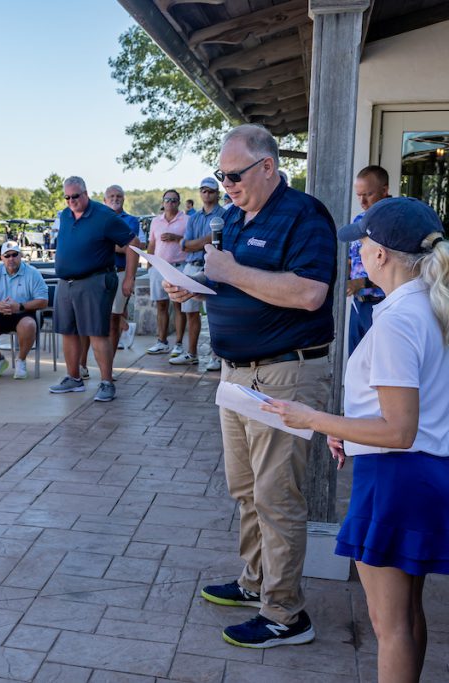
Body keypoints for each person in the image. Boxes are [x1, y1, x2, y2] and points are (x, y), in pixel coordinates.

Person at [263, 198, 449, 680]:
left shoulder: (398, 319)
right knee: (407, 616)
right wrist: (351, 430)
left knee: (391, 627)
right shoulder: (428, 306)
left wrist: (315, 419)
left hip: (395, 478)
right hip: (423, 473)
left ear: (382, 255)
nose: (358, 251)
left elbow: (399, 430)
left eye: (362, 243)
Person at [165, 124, 336, 648]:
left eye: (234, 175)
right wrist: (191, 286)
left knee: (276, 494)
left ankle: (286, 614)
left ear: (267, 166)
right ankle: (255, 582)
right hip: (236, 372)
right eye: (221, 175)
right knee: (245, 489)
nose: (227, 184)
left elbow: (309, 293)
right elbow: (226, 279)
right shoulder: (234, 220)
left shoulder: (304, 215)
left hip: (283, 373)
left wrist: (231, 272)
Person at [49, 177, 137, 402]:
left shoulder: (104, 215)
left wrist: (129, 278)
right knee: (68, 331)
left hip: (95, 280)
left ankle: (106, 382)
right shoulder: (65, 215)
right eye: (67, 197)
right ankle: (73, 378)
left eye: (75, 196)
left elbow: (134, 243)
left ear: (86, 193)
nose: (71, 201)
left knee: (97, 332)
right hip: (66, 282)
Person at [171, 177, 226, 369]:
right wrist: (207, 239)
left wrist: (196, 243)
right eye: (203, 190)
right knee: (190, 312)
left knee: (214, 314)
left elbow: (193, 244)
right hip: (192, 265)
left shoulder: (224, 215)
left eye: (210, 190)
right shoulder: (194, 218)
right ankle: (191, 353)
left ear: (217, 193)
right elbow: (185, 245)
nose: (206, 194)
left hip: (214, 268)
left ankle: (217, 355)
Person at [0, 241, 48, 379]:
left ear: (20, 256)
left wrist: (19, 306)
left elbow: (43, 301)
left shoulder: (33, 273)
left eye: (14, 254)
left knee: (29, 325)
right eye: (7, 255)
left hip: (24, 313)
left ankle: (21, 360)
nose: (11, 258)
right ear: (2, 258)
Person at [347, 165, 391, 355]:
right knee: (355, 366)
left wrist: (362, 282)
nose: (362, 201)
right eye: (359, 195)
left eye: (368, 194)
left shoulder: (396, 220)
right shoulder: (359, 219)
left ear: (385, 190)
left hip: (384, 304)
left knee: (379, 368)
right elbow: (351, 259)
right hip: (358, 303)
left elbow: (396, 268)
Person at [146, 190, 189, 358]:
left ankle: (178, 344)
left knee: (179, 306)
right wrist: (150, 267)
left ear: (178, 203)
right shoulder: (155, 222)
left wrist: (175, 237)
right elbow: (151, 244)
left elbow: (190, 242)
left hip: (179, 267)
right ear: (162, 202)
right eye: (167, 200)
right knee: (161, 306)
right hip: (158, 268)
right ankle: (161, 342)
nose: (170, 203)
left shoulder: (187, 220)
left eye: (173, 200)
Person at [104, 185, 142, 357]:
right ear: (105, 200)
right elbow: (122, 245)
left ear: (124, 198)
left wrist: (104, 244)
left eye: (118, 195)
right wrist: (118, 245)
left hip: (120, 272)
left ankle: (109, 365)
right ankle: (126, 328)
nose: (115, 198)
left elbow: (131, 247)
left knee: (114, 316)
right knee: (105, 316)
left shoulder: (131, 220)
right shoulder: (100, 219)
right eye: (111, 196)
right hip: (101, 274)